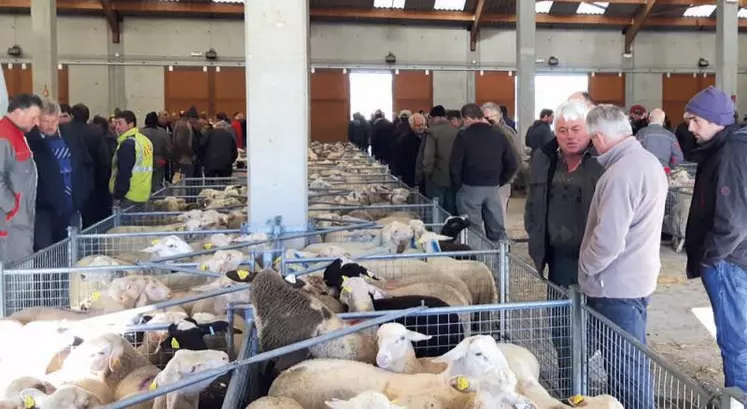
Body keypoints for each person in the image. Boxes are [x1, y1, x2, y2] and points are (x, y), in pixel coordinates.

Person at [579, 104, 667, 409]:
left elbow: (608, 240)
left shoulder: (620, 174)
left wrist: (586, 268)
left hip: (614, 286)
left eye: (592, 139)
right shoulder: (647, 162)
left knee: (625, 369)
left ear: (600, 137)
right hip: (636, 279)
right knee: (628, 361)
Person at [524, 99, 603, 398]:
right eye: (562, 130)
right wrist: (534, 231)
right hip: (557, 259)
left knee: (597, 328)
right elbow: (533, 203)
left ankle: (599, 388)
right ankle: (570, 387)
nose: (569, 136)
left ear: (589, 129)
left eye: (575, 129)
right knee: (560, 327)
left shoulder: (602, 161)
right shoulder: (546, 159)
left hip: (594, 259)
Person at [683, 86, 747, 392]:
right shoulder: (733, 145)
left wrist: (711, 256)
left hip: (729, 261)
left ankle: (737, 398)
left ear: (716, 121)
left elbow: (733, 221)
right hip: (736, 258)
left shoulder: (730, 152)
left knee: (735, 341)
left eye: (696, 120)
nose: (690, 127)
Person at [27, 99, 93, 251]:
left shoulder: (71, 136)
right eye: (46, 121)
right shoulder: (31, 141)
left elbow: (86, 164)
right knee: (46, 250)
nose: (50, 125)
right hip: (44, 208)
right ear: (37, 121)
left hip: (73, 203)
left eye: (54, 120)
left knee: (71, 249)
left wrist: (84, 191)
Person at [450, 103, 518, 242]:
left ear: (468, 118)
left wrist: (458, 185)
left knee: (473, 229)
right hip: (493, 188)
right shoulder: (499, 135)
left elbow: (455, 165)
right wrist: (500, 181)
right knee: (497, 228)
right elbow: (512, 163)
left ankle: (478, 262)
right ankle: (501, 260)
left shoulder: (463, 136)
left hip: (470, 187)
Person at [0, 93, 42, 263]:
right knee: (17, 275)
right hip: (12, 224)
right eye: (34, 118)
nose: (37, 123)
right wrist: (12, 207)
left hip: (20, 221)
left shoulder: (17, 134)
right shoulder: (4, 137)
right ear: (18, 112)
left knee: (21, 272)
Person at [110, 110, 153, 209]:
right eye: (115, 123)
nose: (117, 127)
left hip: (128, 196)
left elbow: (124, 172)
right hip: (143, 194)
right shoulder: (145, 141)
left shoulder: (127, 144)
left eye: (120, 123)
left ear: (130, 125)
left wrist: (118, 195)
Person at [421, 105, 458, 214]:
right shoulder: (456, 131)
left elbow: (428, 157)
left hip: (436, 178)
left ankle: (437, 231)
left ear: (434, 118)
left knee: (436, 211)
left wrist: (427, 174)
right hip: (453, 178)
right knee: (450, 210)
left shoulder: (432, 132)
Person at [140, 112, 171, 193]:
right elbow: (168, 149)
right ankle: (157, 203)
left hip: (144, 161)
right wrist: (164, 160)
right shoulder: (163, 132)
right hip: (159, 161)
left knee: (144, 183)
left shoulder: (140, 133)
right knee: (157, 185)